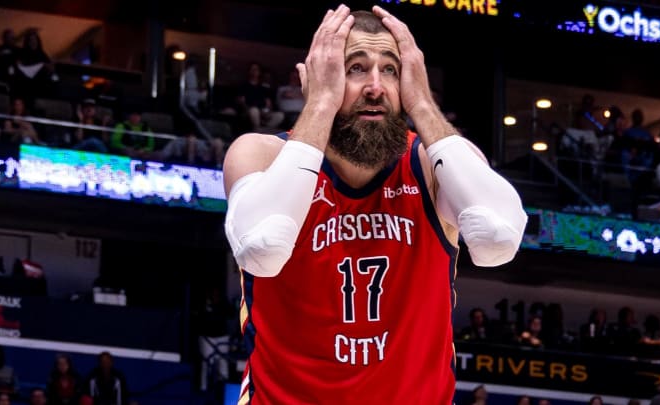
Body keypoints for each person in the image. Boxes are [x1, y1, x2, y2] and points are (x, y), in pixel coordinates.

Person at [222, 5, 527, 404]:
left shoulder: (431, 164)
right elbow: (263, 251)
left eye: (390, 70)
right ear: (312, 78)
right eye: (354, 68)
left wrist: (422, 105)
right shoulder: (260, 155)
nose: (375, 87)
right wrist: (319, 106)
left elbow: (498, 240)